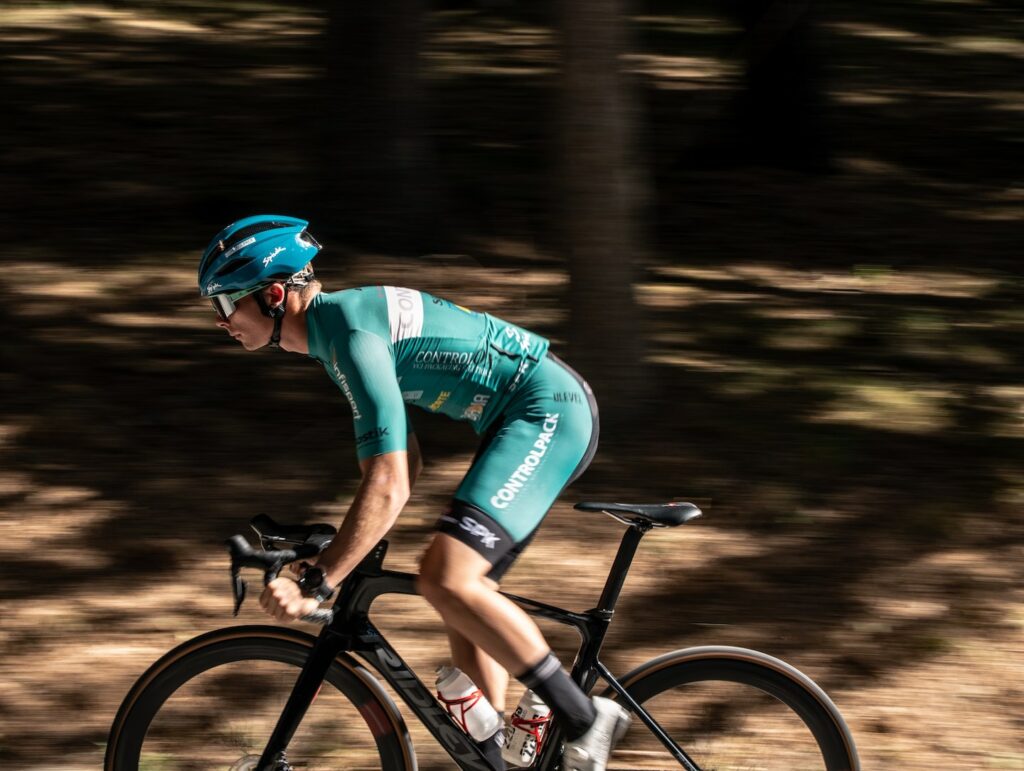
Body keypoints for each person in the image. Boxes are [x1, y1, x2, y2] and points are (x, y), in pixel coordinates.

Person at [199, 215, 629, 770]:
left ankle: (587, 720)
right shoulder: (336, 335)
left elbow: (391, 480)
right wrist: (337, 543)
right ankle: (498, 753)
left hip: (547, 410)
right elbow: (405, 462)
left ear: (275, 295)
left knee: (445, 576)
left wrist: (319, 579)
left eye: (226, 305)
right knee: (457, 593)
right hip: (520, 418)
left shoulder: (348, 336)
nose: (220, 321)